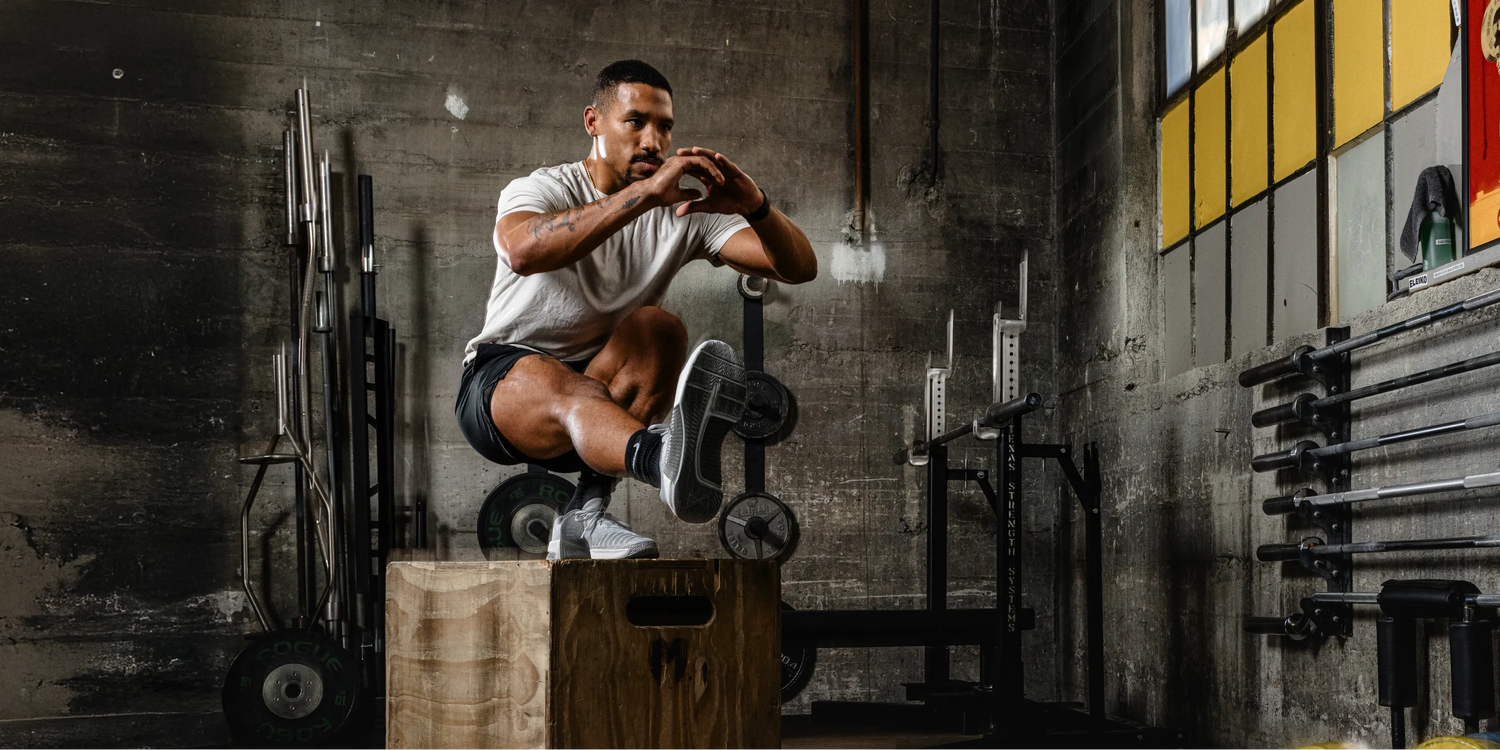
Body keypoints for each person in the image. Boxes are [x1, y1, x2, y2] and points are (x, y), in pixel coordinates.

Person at [455, 60, 817, 560]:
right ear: (593, 122)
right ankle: (661, 457)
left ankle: (585, 517)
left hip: (603, 394)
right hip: (504, 390)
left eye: (664, 127)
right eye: (636, 122)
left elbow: (799, 268)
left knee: (658, 329)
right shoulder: (542, 188)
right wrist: (643, 194)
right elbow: (522, 251)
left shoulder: (686, 215)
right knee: (568, 386)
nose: (653, 141)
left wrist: (756, 205)